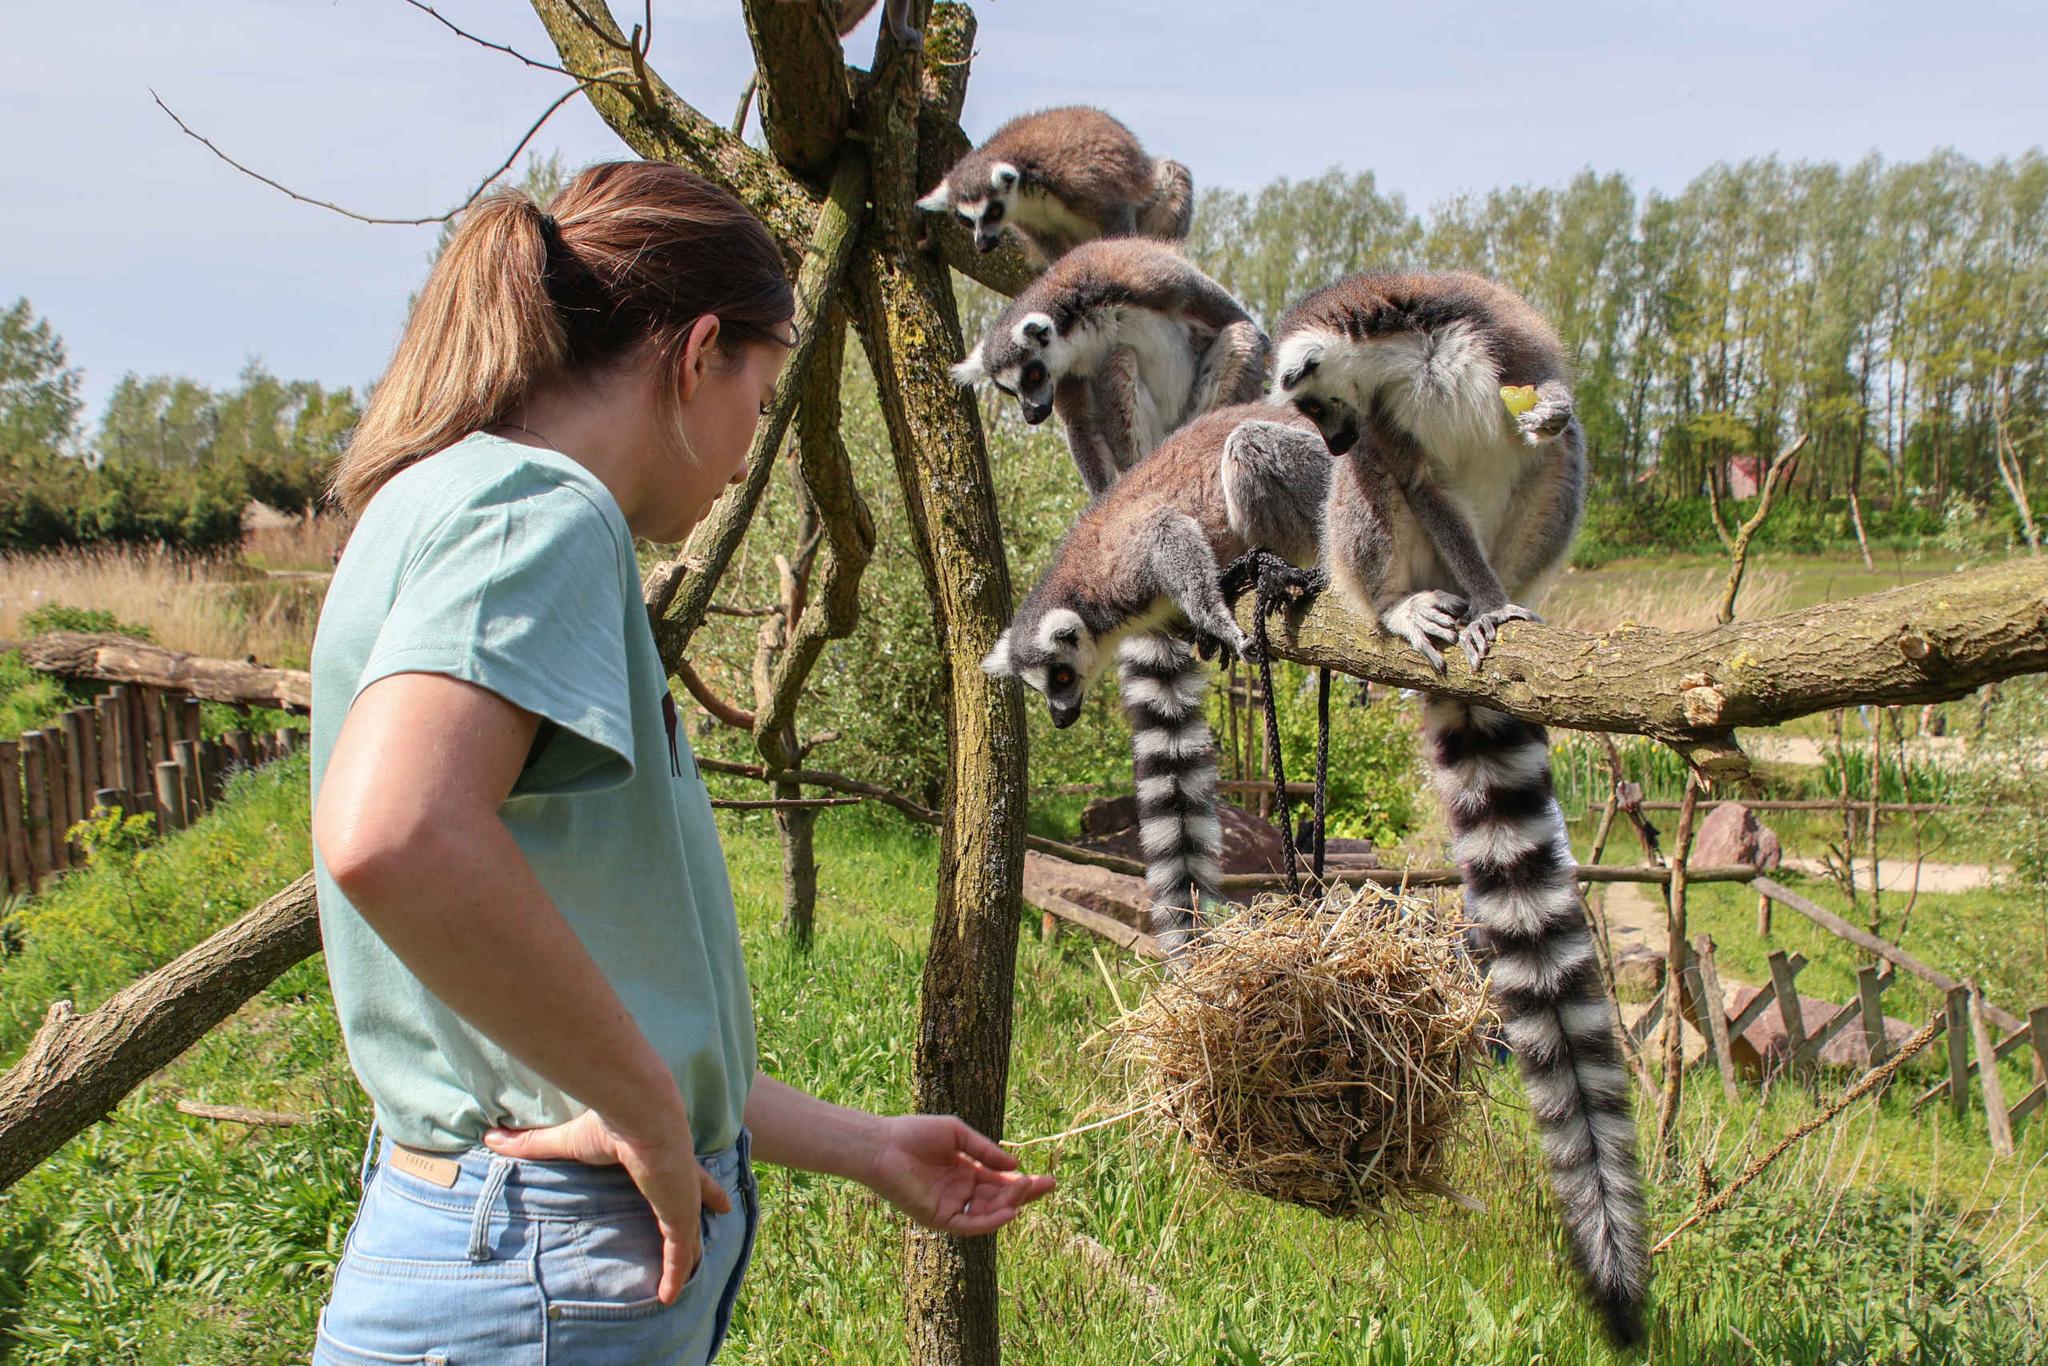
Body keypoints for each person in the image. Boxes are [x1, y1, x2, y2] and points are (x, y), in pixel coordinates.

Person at [308, 160, 1054, 1364]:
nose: (746, 460)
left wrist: (863, 1144)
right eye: (760, 400)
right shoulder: (539, 509)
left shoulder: (435, 495)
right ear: (699, 353)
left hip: (517, 1252)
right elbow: (395, 831)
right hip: (544, 1270)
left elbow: (590, 1007)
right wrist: (652, 1117)